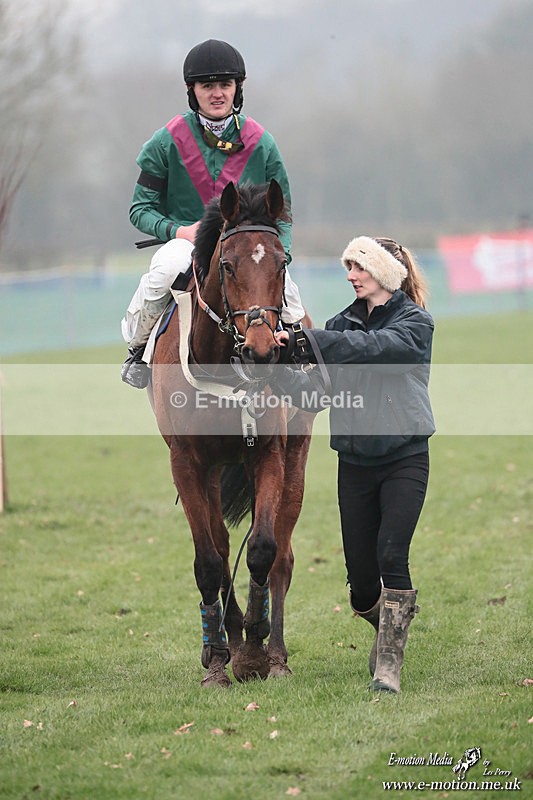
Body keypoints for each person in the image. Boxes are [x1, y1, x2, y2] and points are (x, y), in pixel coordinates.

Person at [273, 236, 435, 693]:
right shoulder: (339, 324)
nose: (350, 275)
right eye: (348, 267)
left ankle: (389, 667)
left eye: (358, 267)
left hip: (405, 457)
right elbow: (319, 394)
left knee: (391, 555)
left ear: (384, 272)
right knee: (362, 586)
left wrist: (311, 340)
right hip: (355, 462)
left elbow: (378, 349)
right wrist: (276, 375)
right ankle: (388, 624)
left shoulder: (414, 323)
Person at [121, 38, 305, 388]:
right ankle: (138, 347)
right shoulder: (166, 141)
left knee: (291, 296)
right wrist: (179, 231)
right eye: (208, 86)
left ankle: (297, 356)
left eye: (226, 84)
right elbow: (139, 210)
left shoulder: (262, 142)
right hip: (187, 243)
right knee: (162, 272)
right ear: (193, 91)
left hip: (248, 246)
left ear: (238, 89)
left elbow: (284, 213)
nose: (218, 93)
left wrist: (282, 253)